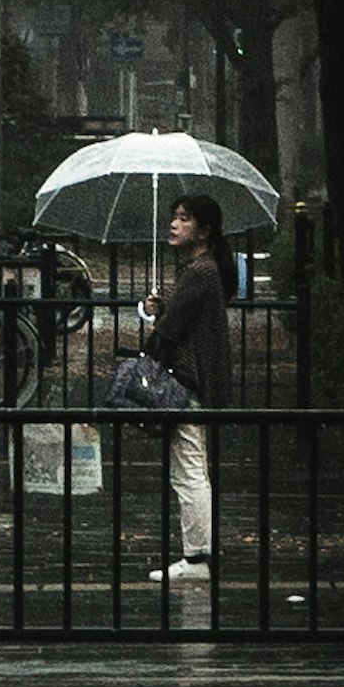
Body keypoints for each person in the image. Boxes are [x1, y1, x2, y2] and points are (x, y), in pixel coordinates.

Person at [137, 185, 234, 585]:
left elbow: (170, 332)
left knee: (189, 472)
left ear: (205, 230)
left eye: (184, 218)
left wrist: (154, 318)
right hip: (197, 383)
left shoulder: (200, 272)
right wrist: (158, 311)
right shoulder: (203, 272)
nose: (174, 225)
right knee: (191, 470)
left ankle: (197, 560)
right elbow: (178, 322)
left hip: (190, 386)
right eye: (173, 217)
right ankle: (198, 555)